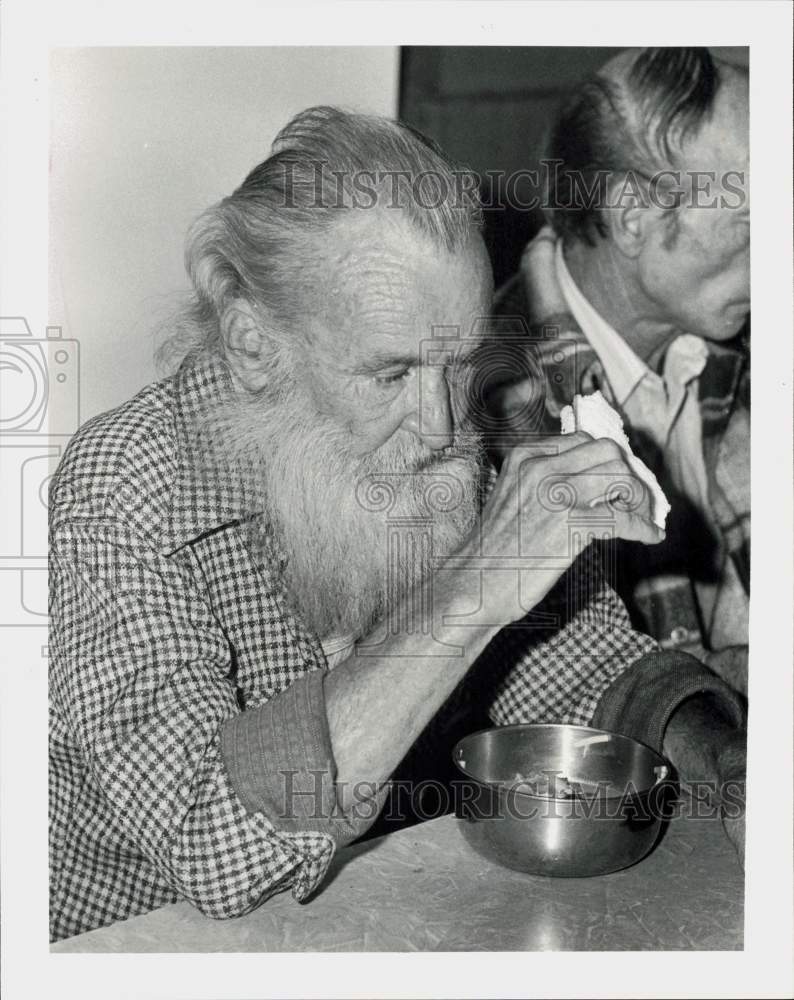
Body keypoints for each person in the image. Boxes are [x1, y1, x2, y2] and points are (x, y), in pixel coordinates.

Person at [49, 106, 746, 942]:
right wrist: (472, 589)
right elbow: (210, 842)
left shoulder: (437, 427)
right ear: (253, 344)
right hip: (119, 943)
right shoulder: (121, 488)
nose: (445, 426)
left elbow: (581, 663)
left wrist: (734, 766)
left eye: (460, 363)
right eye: (391, 373)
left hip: (357, 912)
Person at [490, 48, 750, 695]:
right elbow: (563, 693)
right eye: (750, 216)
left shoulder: (750, 353)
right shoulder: (484, 411)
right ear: (632, 216)